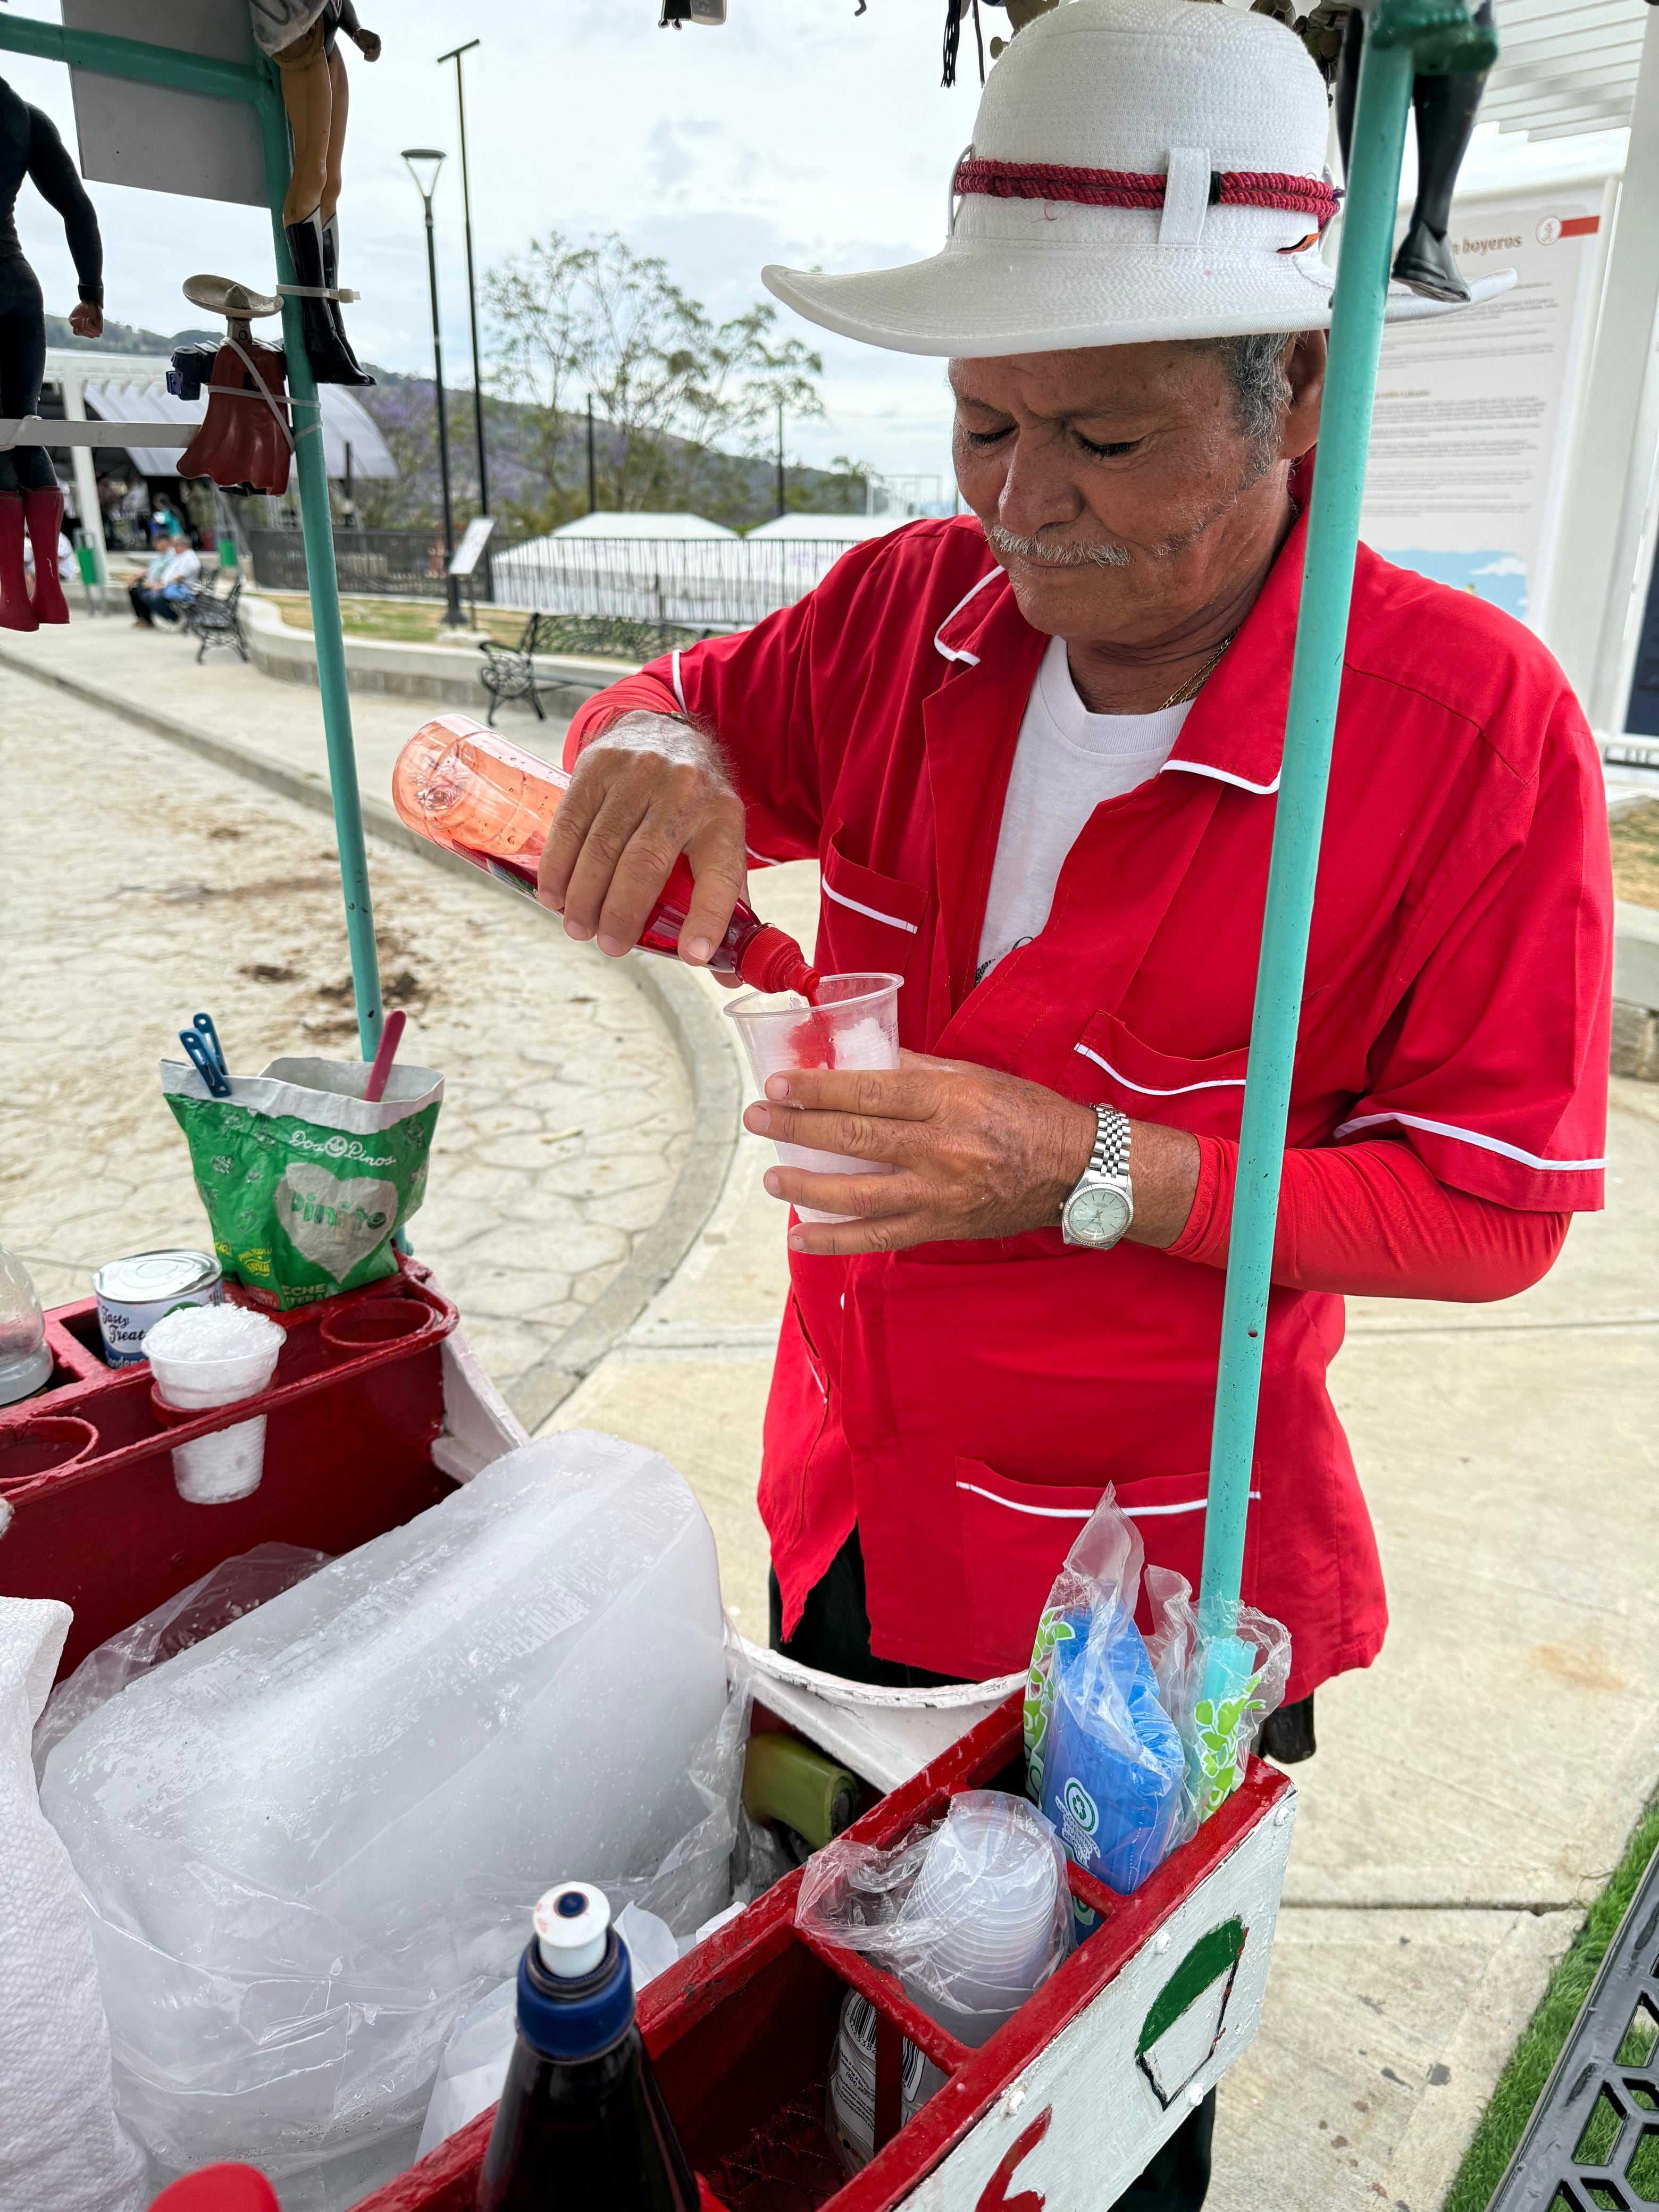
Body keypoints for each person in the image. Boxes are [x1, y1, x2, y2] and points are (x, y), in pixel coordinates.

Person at [536, 5, 1611, 2202]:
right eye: (983, 420)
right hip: (845, 1518)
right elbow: (673, 700)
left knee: (1090, 2122)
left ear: (1296, 397)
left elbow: (1496, 1201)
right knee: (860, 2052)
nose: (1026, 499)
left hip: (1147, 1617)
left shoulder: (1459, 723)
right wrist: (657, 748)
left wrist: (1095, 1167)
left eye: (1107, 436)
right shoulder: (915, 612)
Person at [0, 73, 102, 631]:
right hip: (20, 283)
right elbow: (78, 209)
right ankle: (50, 591)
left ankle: (12, 596)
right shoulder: (25, 116)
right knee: (24, 429)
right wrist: (91, 294)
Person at [249, 0, 380, 385]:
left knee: (329, 184)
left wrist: (355, 31)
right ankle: (318, 332)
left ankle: (333, 327)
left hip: (326, 36)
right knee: (311, 176)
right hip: (298, 33)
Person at [129, 533, 200, 628]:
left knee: (151, 596)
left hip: (181, 588)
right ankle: (149, 619)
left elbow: (180, 578)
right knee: (141, 592)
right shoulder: (180, 557)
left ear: (183, 546)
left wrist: (161, 585)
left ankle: (175, 618)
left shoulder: (190, 558)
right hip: (171, 586)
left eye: (176, 545)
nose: (174, 548)